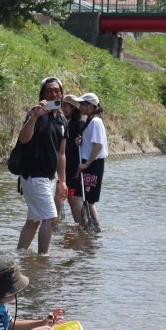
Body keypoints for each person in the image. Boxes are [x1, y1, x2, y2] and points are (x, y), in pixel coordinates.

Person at [15, 77, 68, 254]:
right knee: (51, 218)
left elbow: (62, 154)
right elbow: (23, 139)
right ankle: (43, 259)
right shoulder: (36, 114)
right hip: (33, 174)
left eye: (57, 90)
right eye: (49, 90)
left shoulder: (62, 120)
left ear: (61, 94)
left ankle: (19, 254)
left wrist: (63, 181)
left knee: (34, 220)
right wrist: (35, 116)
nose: (54, 93)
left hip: (50, 177)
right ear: (42, 94)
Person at [76, 92, 107, 229]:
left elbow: (99, 145)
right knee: (84, 198)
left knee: (89, 200)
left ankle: (96, 227)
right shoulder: (91, 120)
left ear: (91, 105)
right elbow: (92, 143)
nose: (80, 107)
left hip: (93, 164)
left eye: (82, 104)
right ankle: (88, 227)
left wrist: (87, 163)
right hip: (88, 163)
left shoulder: (95, 121)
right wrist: (81, 142)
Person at [57, 94, 85, 223]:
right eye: (62, 106)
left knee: (73, 198)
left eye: (66, 106)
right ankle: (78, 225)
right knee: (67, 197)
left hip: (75, 167)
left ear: (74, 108)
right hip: (66, 167)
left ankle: (81, 225)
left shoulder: (80, 124)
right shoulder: (67, 123)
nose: (63, 109)